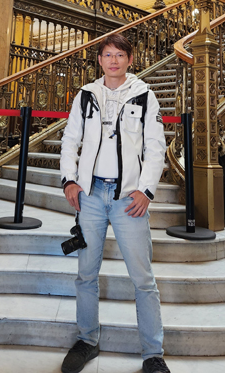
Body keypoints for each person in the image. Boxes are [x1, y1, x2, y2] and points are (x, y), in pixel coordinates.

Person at [60, 33, 170, 373]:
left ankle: (153, 354)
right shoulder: (85, 95)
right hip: (91, 196)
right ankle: (87, 340)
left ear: (129, 60)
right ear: (100, 60)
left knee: (143, 279)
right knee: (85, 275)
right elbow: (70, 139)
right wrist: (69, 180)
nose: (113, 60)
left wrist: (146, 190)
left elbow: (156, 146)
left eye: (120, 55)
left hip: (128, 200)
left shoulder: (144, 95)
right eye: (107, 55)